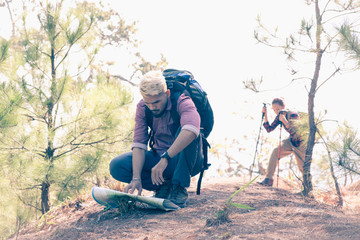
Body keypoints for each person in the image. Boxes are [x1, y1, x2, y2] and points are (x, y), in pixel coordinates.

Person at [109, 70, 203, 208]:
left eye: (157, 102)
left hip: (186, 160)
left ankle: (179, 187)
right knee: (117, 166)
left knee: (188, 132)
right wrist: (136, 178)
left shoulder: (182, 100)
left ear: (167, 94)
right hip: (158, 161)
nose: (152, 107)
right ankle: (163, 186)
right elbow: (139, 144)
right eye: (148, 103)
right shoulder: (142, 107)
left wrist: (166, 158)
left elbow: (192, 130)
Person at [258, 98, 310, 191]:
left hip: (300, 143)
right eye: (274, 110)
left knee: (302, 167)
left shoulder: (293, 114)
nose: (276, 112)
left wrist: (285, 121)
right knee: (275, 152)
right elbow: (269, 129)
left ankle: (308, 189)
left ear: (283, 107)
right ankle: (268, 179)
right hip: (291, 141)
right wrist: (265, 115)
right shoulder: (279, 116)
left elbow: (296, 132)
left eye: (278, 109)